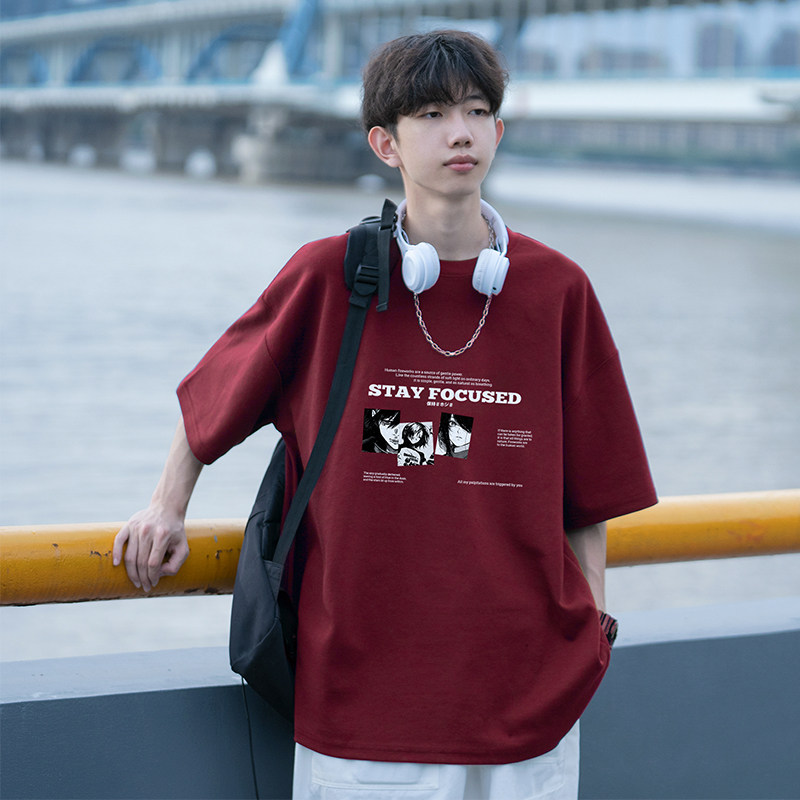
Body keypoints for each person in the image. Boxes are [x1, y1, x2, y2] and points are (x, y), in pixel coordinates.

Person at [113, 30, 657, 799]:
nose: (460, 132)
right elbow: (214, 398)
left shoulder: (557, 291)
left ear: (499, 130)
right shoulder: (329, 278)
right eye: (432, 114)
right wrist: (167, 506)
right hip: (365, 701)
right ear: (385, 143)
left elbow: (589, 498)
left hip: (530, 703)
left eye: (477, 111)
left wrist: (588, 634)